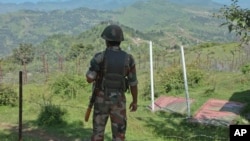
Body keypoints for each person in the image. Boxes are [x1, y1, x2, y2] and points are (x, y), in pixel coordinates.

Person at [85, 24, 138, 141]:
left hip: (101, 100)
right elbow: (133, 83)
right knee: (119, 135)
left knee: (98, 134)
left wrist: (94, 69)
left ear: (106, 41)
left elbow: (89, 78)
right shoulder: (128, 59)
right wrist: (135, 101)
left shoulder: (99, 57)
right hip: (119, 101)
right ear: (120, 41)